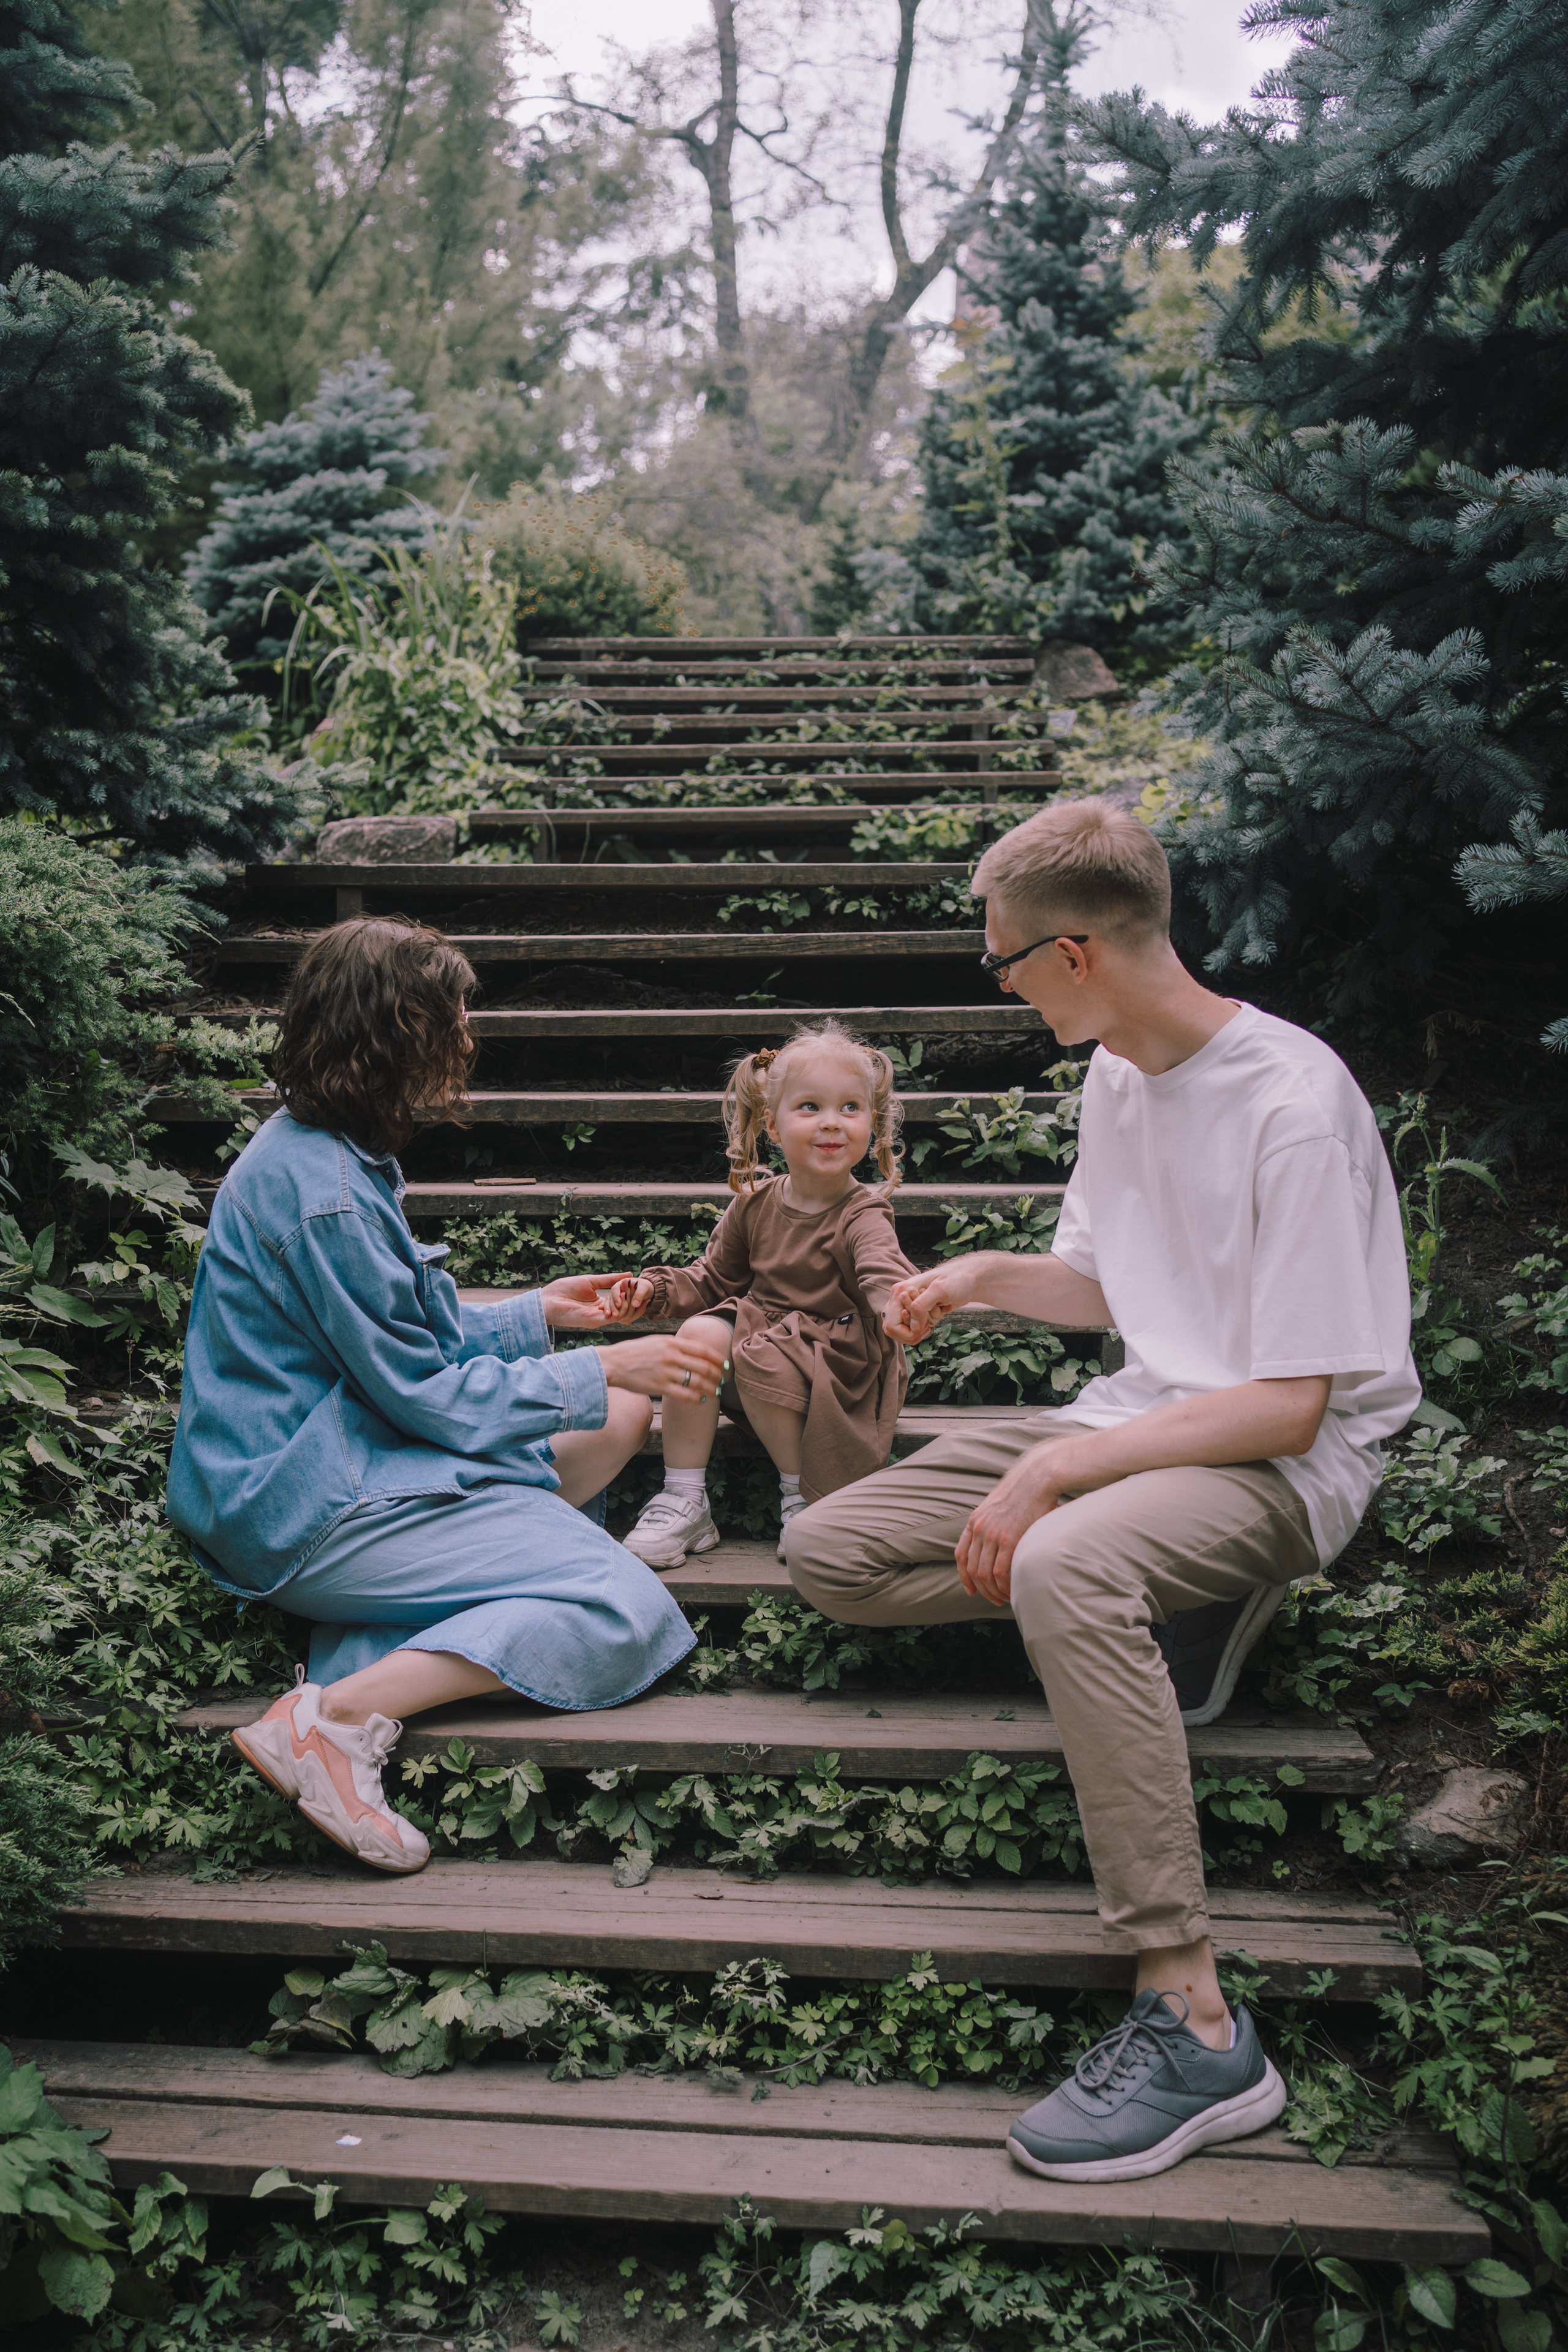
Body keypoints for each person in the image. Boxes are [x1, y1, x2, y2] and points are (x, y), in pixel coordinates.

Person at [785, 801, 1420, 2183]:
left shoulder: (1290, 1106)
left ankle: (1191, 2014)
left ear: (1072, 951)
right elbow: (1107, 1289)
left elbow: (1289, 1401)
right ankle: (1143, 1622)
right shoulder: (1121, 1077)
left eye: (1000, 959)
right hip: (1143, 1423)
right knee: (832, 1554)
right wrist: (979, 1281)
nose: (998, 982)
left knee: (1068, 1561)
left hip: (1280, 1464)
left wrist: (1062, 1474)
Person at [167, 918, 729, 1876]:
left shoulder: (318, 1148)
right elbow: (422, 1391)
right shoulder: (326, 1192)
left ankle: (399, 1625)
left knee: (619, 1422)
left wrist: (536, 1315)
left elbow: (382, 1339)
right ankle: (333, 1718)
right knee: (623, 1603)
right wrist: (609, 1366)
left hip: (353, 1447)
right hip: (303, 1499)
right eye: (454, 1010)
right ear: (395, 1028)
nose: (469, 1030)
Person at [611, 1021, 916, 1567]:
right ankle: (685, 1497)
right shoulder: (754, 1204)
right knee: (700, 1332)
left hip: (839, 1359)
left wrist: (894, 1302)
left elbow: (880, 1270)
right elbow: (710, 1282)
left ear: (872, 1122)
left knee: (761, 1353)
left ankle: (805, 1499)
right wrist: (652, 1290)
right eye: (810, 1108)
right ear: (773, 1126)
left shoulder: (862, 1211)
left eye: (851, 1108)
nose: (832, 1123)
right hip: (768, 1345)